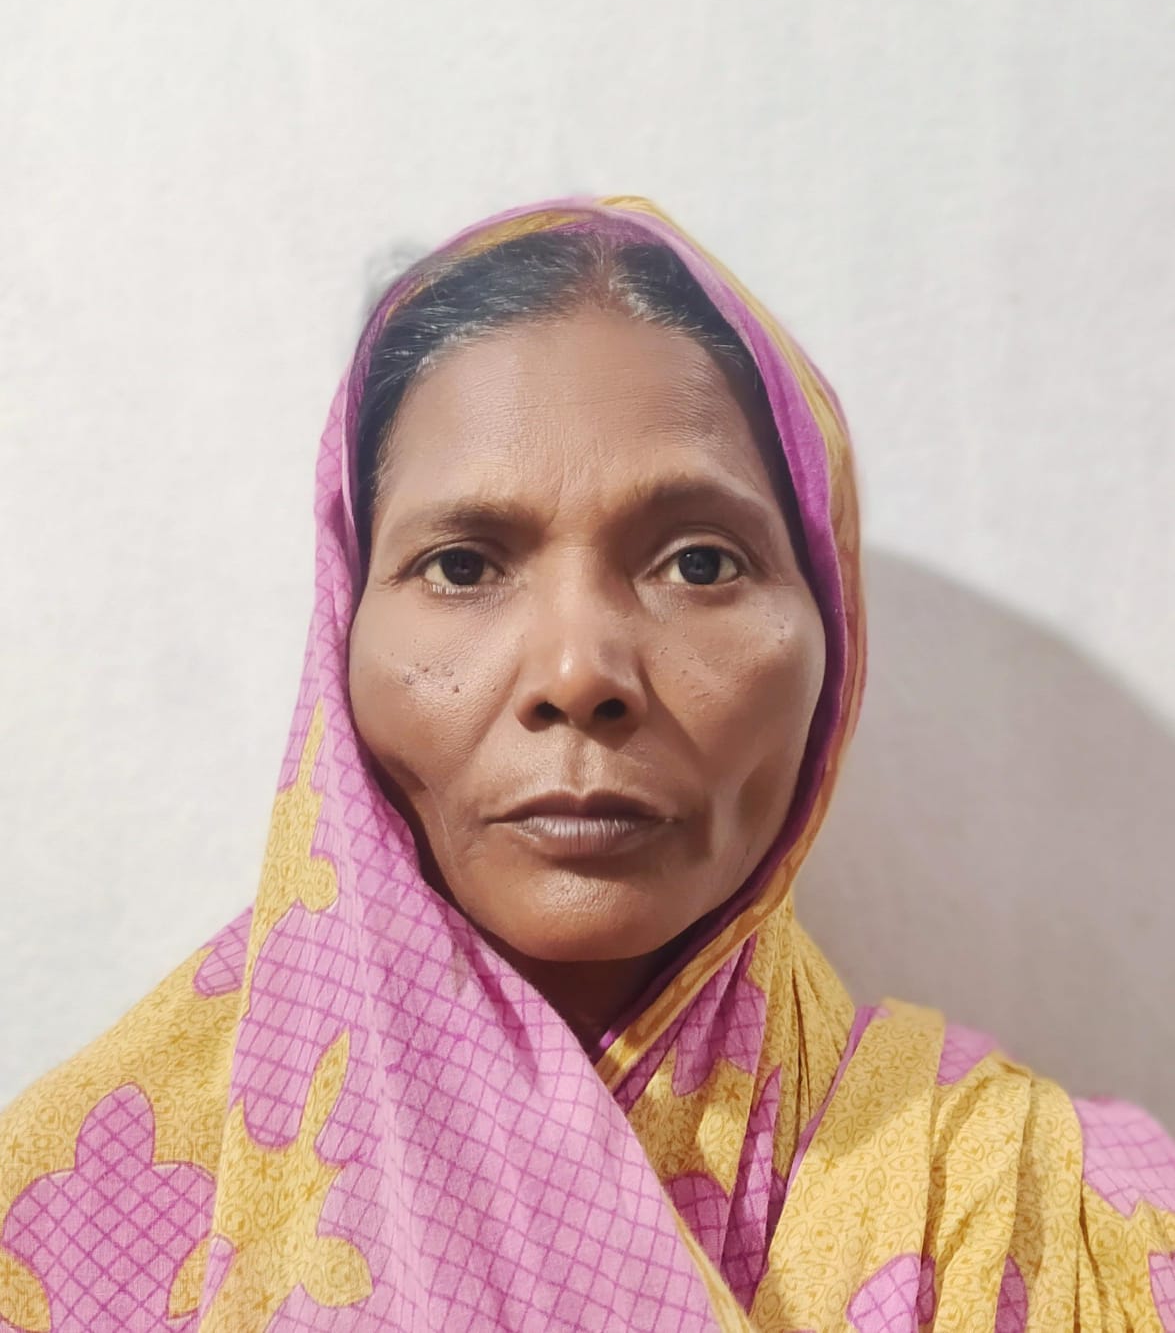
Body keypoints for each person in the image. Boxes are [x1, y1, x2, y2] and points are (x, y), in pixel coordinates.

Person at [0, 195, 1171, 1332]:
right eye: (462, 565)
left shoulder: (1061, 1226)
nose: (577, 671)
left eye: (699, 562)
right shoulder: (78, 1217)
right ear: (339, 633)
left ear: (832, 637)